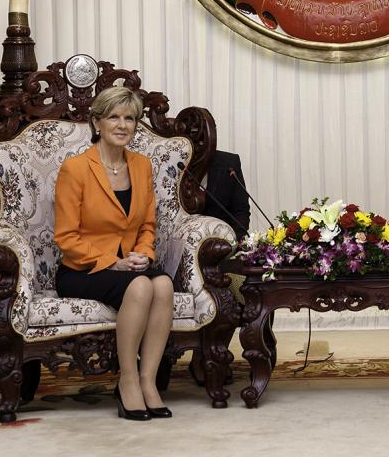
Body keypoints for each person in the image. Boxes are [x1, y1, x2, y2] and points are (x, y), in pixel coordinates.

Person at [54, 86, 175, 421]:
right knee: (141, 287)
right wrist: (114, 262)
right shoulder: (75, 169)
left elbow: (148, 225)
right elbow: (66, 237)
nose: (123, 125)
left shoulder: (141, 166)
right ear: (97, 123)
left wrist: (144, 256)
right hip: (83, 269)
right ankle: (127, 380)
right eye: (114, 117)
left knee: (162, 284)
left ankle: (149, 381)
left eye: (130, 118)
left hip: (128, 264)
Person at [202, 149, 250, 239]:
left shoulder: (229, 163)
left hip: (223, 243)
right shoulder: (173, 162)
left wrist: (232, 242)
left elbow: (240, 211)